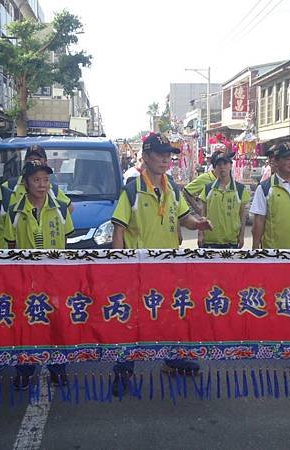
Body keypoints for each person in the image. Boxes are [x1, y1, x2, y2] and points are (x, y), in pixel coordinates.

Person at [111, 133, 212, 394]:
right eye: (160, 153)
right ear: (145, 157)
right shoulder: (132, 189)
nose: (166, 159)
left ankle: (172, 359)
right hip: (138, 269)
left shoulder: (172, 188)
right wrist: (116, 265)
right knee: (133, 321)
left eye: (169, 154)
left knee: (169, 315)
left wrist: (198, 223)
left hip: (168, 268)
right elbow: (119, 229)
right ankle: (123, 371)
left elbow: (184, 219)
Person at [5, 160, 74, 389]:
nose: (42, 184)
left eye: (45, 180)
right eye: (36, 180)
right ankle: (24, 370)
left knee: (57, 324)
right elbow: (10, 246)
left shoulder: (61, 209)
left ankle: (58, 369)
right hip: (26, 280)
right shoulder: (15, 211)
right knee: (27, 325)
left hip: (55, 278)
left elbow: (67, 242)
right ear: (26, 183)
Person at [198, 152, 250, 248]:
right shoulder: (208, 188)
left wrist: (242, 236)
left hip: (231, 241)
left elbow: (242, 216)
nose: (222, 167)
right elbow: (203, 214)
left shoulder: (240, 189)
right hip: (210, 240)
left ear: (230, 165)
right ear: (214, 168)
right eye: (219, 164)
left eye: (225, 163)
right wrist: (200, 234)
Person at [4, 145, 73, 212]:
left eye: (38, 159)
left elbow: (69, 207)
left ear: (45, 162)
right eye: (31, 159)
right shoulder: (9, 186)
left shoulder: (52, 189)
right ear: (25, 162)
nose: (34, 162)